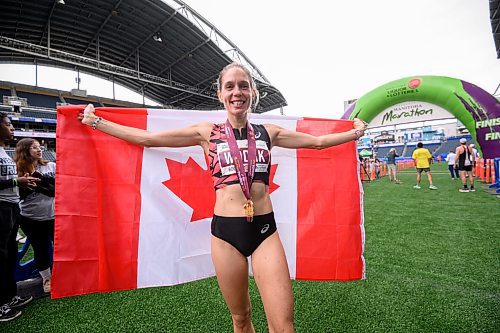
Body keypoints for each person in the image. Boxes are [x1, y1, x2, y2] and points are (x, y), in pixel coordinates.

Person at [78, 62, 367, 333]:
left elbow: (317, 142)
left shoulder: (269, 132)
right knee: (241, 319)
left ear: (252, 93)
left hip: (265, 230)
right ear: (220, 94)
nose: (237, 92)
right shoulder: (208, 133)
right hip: (225, 235)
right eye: (229, 86)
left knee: (283, 325)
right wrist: (96, 123)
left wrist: (352, 134)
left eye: (243, 86)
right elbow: (148, 139)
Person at [0, 113, 38, 322]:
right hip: (1, 207)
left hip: (12, 207)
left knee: (9, 255)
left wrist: (20, 182)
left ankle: (9, 296)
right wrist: (17, 182)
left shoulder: (3, 152)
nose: (12, 128)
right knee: (1, 256)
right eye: (8, 124)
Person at [14, 138, 56, 293]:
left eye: (40, 147)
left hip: (54, 215)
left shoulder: (51, 166)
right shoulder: (17, 171)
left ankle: (66, 274)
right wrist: (26, 185)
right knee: (41, 248)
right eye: (34, 147)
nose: (39, 150)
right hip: (31, 217)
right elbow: (17, 195)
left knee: (62, 247)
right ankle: (47, 279)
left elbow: (58, 188)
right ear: (24, 150)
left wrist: (40, 182)